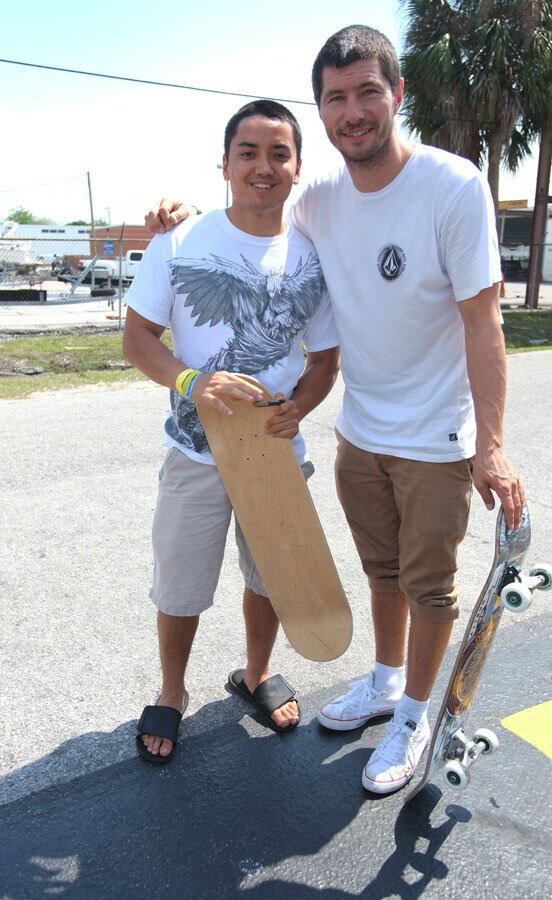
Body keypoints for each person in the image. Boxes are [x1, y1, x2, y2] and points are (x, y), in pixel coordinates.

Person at [144, 25, 524, 792]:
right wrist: (178, 217)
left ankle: (414, 719)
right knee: (381, 573)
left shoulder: (452, 186)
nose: (352, 111)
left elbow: (485, 321)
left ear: (397, 95)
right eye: (335, 98)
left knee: (429, 586)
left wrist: (493, 444)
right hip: (359, 434)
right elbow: (247, 214)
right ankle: (384, 683)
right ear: (322, 111)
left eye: (367, 93)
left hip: (433, 436)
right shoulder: (317, 200)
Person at [123, 99, 340, 764]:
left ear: (297, 167)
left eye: (279, 152)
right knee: (182, 581)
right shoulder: (180, 241)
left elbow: (326, 358)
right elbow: (137, 339)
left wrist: (300, 406)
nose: (262, 165)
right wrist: (191, 382)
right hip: (196, 449)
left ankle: (254, 673)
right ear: (224, 164)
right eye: (248, 152)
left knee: (271, 575)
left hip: (274, 453)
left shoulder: (314, 252)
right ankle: (171, 689)